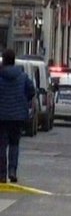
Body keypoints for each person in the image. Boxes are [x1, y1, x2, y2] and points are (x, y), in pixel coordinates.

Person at [0, 49, 35, 183]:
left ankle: (1, 174)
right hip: (17, 116)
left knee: (1, 146)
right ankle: (12, 171)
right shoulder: (22, 76)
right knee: (14, 144)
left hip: (1, 116)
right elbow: (31, 91)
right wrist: (23, 101)